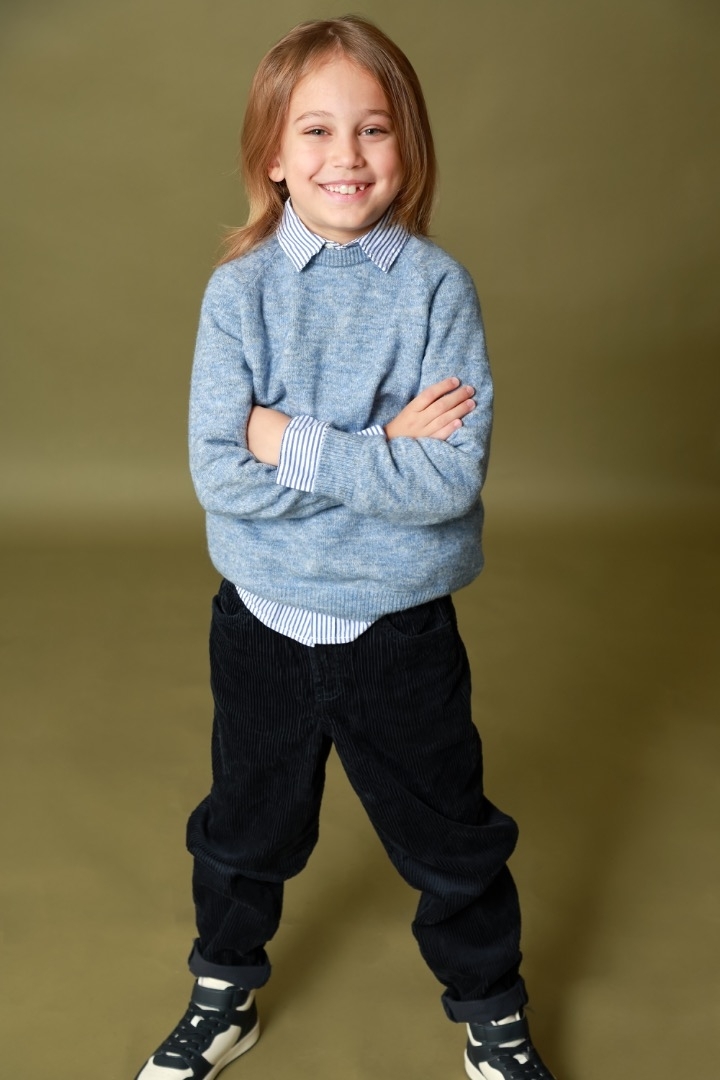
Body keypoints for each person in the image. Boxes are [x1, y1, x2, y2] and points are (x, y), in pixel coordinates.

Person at [134, 15, 556, 1080]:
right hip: (262, 626)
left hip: (400, 635)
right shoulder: (239, 294)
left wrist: (287, 438)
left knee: (452, 841)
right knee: (242, 834)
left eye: (373, 128)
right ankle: (223, 998)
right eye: (315, 130)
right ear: (273, 156)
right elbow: (221, 477)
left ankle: (493, 1013)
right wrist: (380, 451)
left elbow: (446, 483)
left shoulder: (435, 290)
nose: (347, 155)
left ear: (407, 145)